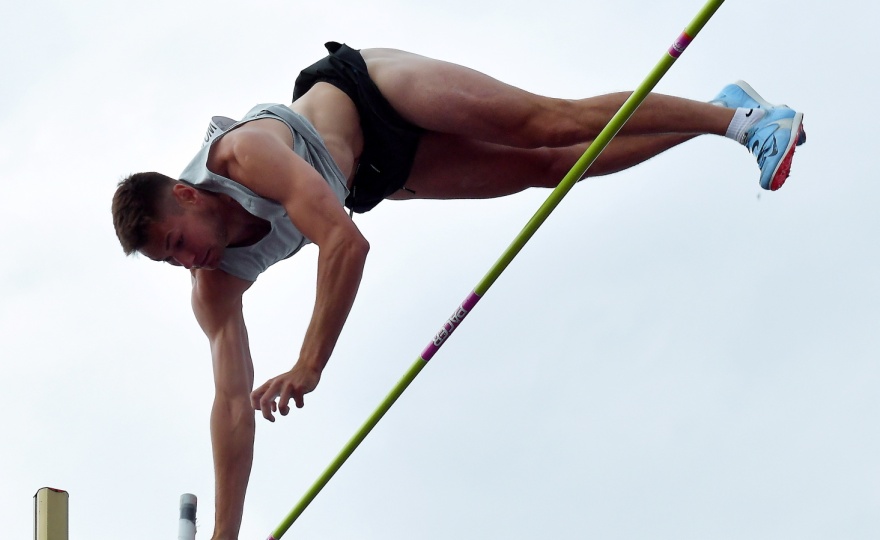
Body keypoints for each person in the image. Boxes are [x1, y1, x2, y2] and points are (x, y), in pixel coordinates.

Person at [111, 42, 805, 539]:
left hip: (370, 93)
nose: (189, 261)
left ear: (185, 193)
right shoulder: (214, 286)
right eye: (171, 263)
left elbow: (344, 244)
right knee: (556, 168)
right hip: (377, 174)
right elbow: (231, 404)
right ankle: (718, 114)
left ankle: (745, 124)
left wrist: (311, 364)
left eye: (177, 241)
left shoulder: (244, 157)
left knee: (547, 123)